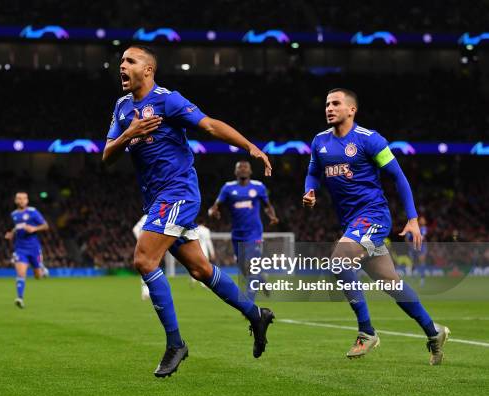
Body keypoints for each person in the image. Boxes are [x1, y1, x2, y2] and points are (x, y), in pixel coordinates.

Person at [103, 45, 275, 377]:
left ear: (148, 70)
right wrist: (129, 134)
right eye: (121, 61)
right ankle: (256, 314)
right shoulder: (122, 107)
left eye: (130, 61)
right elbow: (106, 156)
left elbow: (208, 125)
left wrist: (250, 146)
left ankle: (175, 344)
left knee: (144, 259)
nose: (121, 65)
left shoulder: (168, 100)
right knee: (200, 269)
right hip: (156, 200)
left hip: (179, 192)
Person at [302, 88, 449, 365]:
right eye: (326, 104)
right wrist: (310, 191)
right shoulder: (320, 142)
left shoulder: (370, 140)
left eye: (335, 103)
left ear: (351, 110)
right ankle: (434, 332)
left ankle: (366, 331)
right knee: (391, 284)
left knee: (338, 261)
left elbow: (398, 177)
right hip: (351, 223)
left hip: (374, 216)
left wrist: (413, 218)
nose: (329, 108)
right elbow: (312, 172)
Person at [209, 161, 279, 300]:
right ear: (235, 172)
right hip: (237, 234)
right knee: (244, 269)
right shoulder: (228, 188)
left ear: (250, 171)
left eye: (245, 167)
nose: (243, 169)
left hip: (254, 233)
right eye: (240, 167)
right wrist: (213, 212)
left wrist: (272, 216)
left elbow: (267, 205)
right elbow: (215, 206)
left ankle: (249, 304)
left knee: (252, 265)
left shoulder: (258, 187)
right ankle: (261, 278)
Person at [4, 192, 49, 309]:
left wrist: (34, 228)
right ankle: (20, 298)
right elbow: (16, 227)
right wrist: (11, 233)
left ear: (27, 200)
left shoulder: (33, 212)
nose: (21, 200)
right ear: (15, 201)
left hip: (34, 248)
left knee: (38, 276)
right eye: (19, 198)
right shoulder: (13, 214)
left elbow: (45, 225)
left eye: (24, 198)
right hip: (20, 249)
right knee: (21, 273)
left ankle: (42, 269)